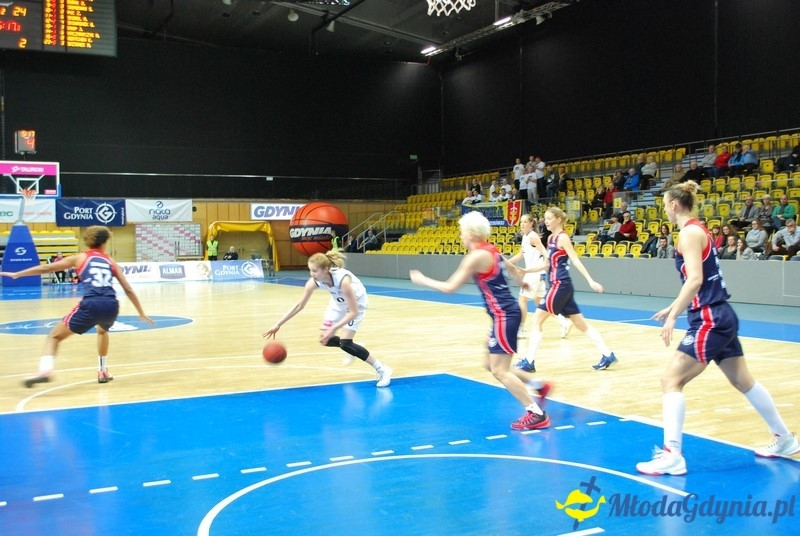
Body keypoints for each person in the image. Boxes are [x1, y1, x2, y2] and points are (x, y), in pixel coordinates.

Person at [635, 181, 799, 476]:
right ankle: (785, 439)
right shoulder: (697, 230)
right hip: (720, 314)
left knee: (670, 380)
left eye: (664, 206)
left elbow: (695, 279)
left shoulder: (689, 233)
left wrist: (674, 314)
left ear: (674, 205)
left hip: (710, 317)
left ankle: (672, 454)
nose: (664, 211)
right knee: (743, 381)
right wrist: (674, 308)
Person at [409, 211, 552, 431]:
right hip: (503, 315)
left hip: (504, 316)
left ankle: (536, 413)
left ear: (471, 233)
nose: (460, 236)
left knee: (499, 371)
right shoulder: (492, 250)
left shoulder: (476, 256)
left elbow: (450, 288)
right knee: (490, 363)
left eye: (462, 232)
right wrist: (522, 284)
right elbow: (513, 269)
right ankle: (538, 385)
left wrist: (422, 280)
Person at [0, 226, 154, 387]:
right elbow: (128, 289)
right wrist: (141, 312)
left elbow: (46, 268)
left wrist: (17, 274)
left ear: (88, 242)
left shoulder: (80, 258)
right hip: (111, 305)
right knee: (102, 331)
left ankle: (45, 371)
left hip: (92, 303)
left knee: (54, 337)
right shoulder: (110, 260)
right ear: (105, 242)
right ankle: (102, 370)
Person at [262, 250, 392, 387]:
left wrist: (333, 328)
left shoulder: (343, 282)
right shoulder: (315, 281)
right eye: (310, 271)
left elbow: (353, 312)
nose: (312, 275)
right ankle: (354, 347)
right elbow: (300, 305)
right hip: (337, 304)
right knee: (326, 340)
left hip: (356, 305)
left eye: (315, 271)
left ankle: (382, 369)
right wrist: (278, 324)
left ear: (325, 269)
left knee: (346, 343)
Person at [515, 206, 618, 372]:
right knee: (581, 324)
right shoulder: (550, 239)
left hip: (560, 284)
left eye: (549, 218)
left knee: (537, 320)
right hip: (561, 286)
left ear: (558, 219)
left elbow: (575, 260)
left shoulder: (563, 238)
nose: (545, 221)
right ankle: (607, 354)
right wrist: (527, 271)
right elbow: (547, 264)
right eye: (545, 219)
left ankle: (529, 361)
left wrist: (590, 280)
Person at [507, 214, 573, 340]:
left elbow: (545, 252)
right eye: (521, 222)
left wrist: (549, 265)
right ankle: (563, 321)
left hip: (534, 274)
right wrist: (507, 262)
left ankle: (520, 330)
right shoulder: (525, 237)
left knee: (522, 300)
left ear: (531, 223)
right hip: (537, 275)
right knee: (540, 303)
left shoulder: (533, 236)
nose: (522, 224)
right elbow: (521, 254)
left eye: (525, 222)